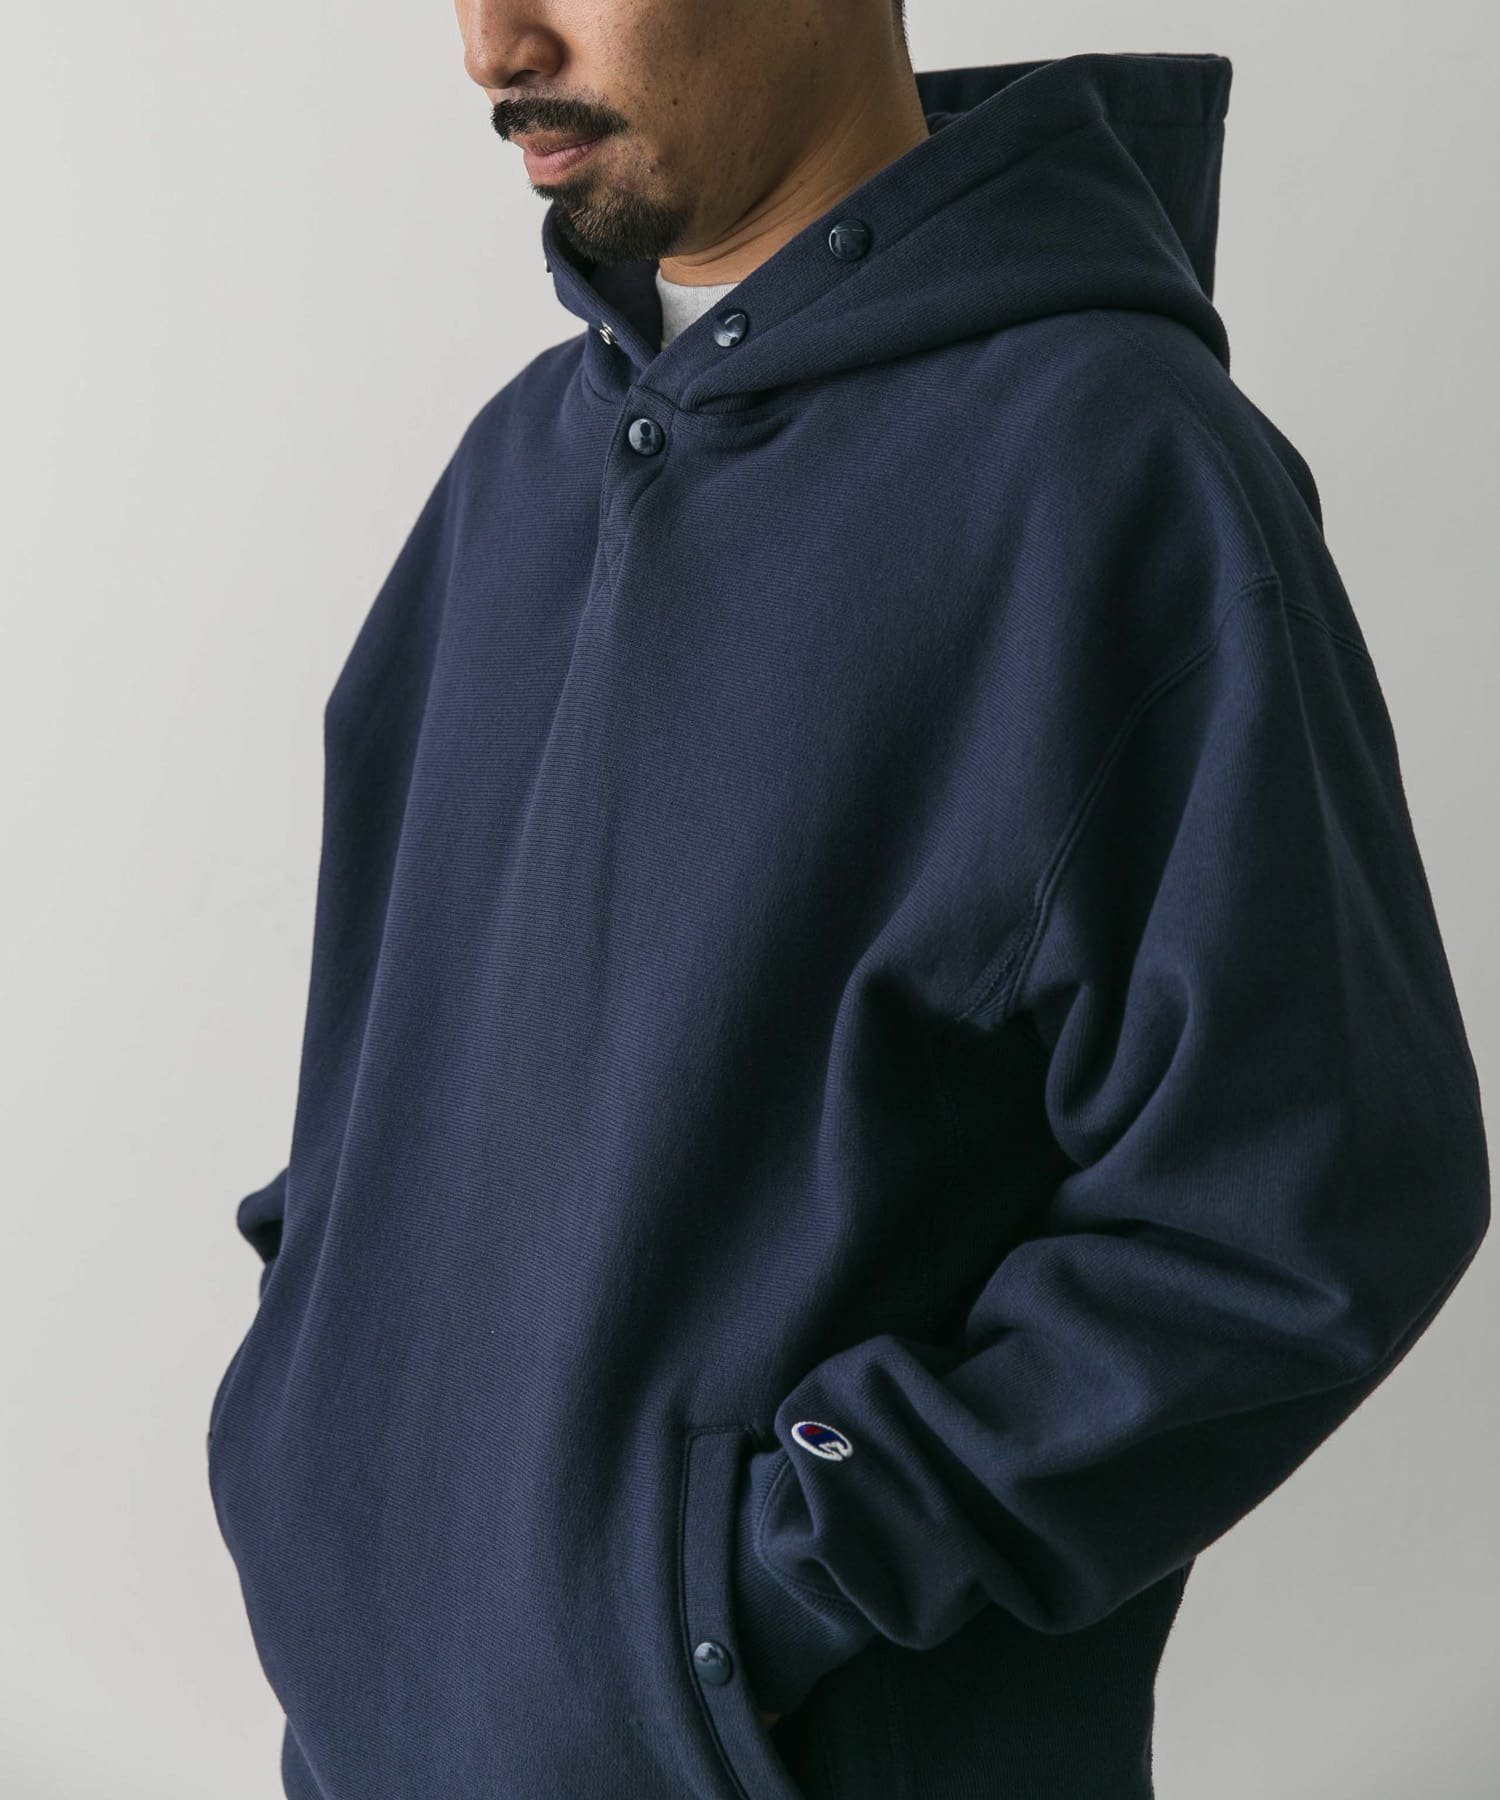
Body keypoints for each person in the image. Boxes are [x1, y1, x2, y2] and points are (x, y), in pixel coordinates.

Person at [204, 6, 1491, 1797]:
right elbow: (373, 1072)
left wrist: (781, 1571)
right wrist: (306, 1415)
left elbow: (1317, 1199)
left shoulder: (1119, 473)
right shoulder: (514, 472)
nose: (494, 46)